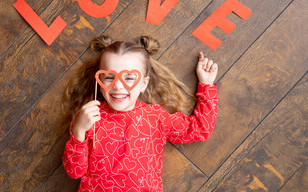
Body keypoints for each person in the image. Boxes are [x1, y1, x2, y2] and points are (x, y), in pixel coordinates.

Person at [61, 35, 218, 191]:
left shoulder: (155, 117)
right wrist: (78, 131)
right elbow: (75, 171)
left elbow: (200, 129)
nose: (118, 86)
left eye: (129, 78)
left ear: (144, 84)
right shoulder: (90, 117)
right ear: (99, 81)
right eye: (109, 77)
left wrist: (206, 85)